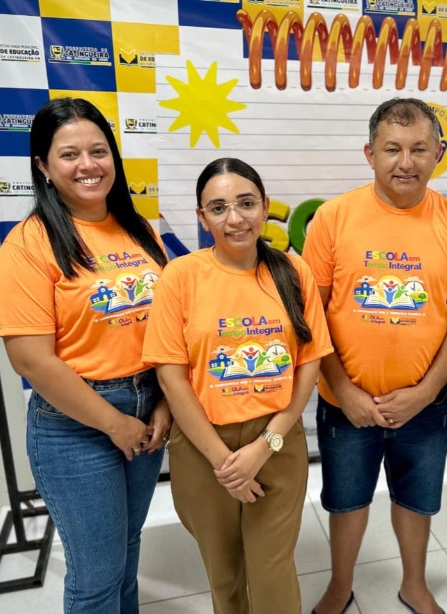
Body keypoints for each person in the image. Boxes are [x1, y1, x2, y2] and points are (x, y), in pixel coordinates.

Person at [303, 98, 447, 614]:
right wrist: (344, 390)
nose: (406, 162)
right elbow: (313, 317)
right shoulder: (333, 218)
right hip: (346, 405)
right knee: (346, 502)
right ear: (370, 154)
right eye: (392, 149)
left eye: (419, 149)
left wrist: (428, 392)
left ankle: (414, 585)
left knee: (417, 502)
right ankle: (340, 585)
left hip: (422, 406)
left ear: (438, 153)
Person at [0, 97, 171, 613]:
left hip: (147, 409)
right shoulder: (29, 244)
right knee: (96, 577)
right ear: (43, 167)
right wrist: (115, 424)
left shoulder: (140, 230)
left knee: (127, 550)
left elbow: (168, 327)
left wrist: (164, 403)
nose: (88, 165)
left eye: (98, 151)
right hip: (76, 425)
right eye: (69, 154)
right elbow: (32, 361)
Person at [141, 158, 332, 614]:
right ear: (201, 217)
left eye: (246, 203)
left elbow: (309, 363)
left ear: (264, 206)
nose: (235, 218)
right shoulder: (180, 277)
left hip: (277, 440)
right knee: (224, 574)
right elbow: (170, 376)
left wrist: (265, 446)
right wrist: (224, 463)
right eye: (218, 207)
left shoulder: (294, 271)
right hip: (202, 447)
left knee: (271, 571)